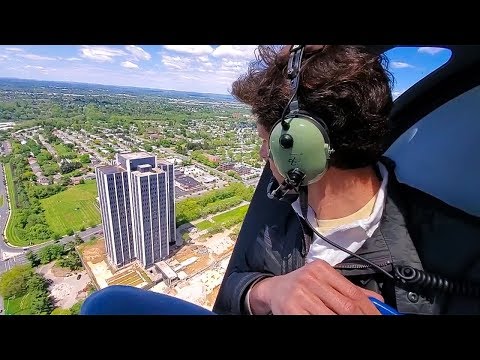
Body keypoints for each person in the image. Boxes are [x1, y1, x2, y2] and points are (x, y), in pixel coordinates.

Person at [212, 45, 480, 315]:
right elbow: (236, 280)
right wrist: (266, 291)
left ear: (299, 146)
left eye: (265, 141)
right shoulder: (282, 209)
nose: (262, 154)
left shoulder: (461, 250)